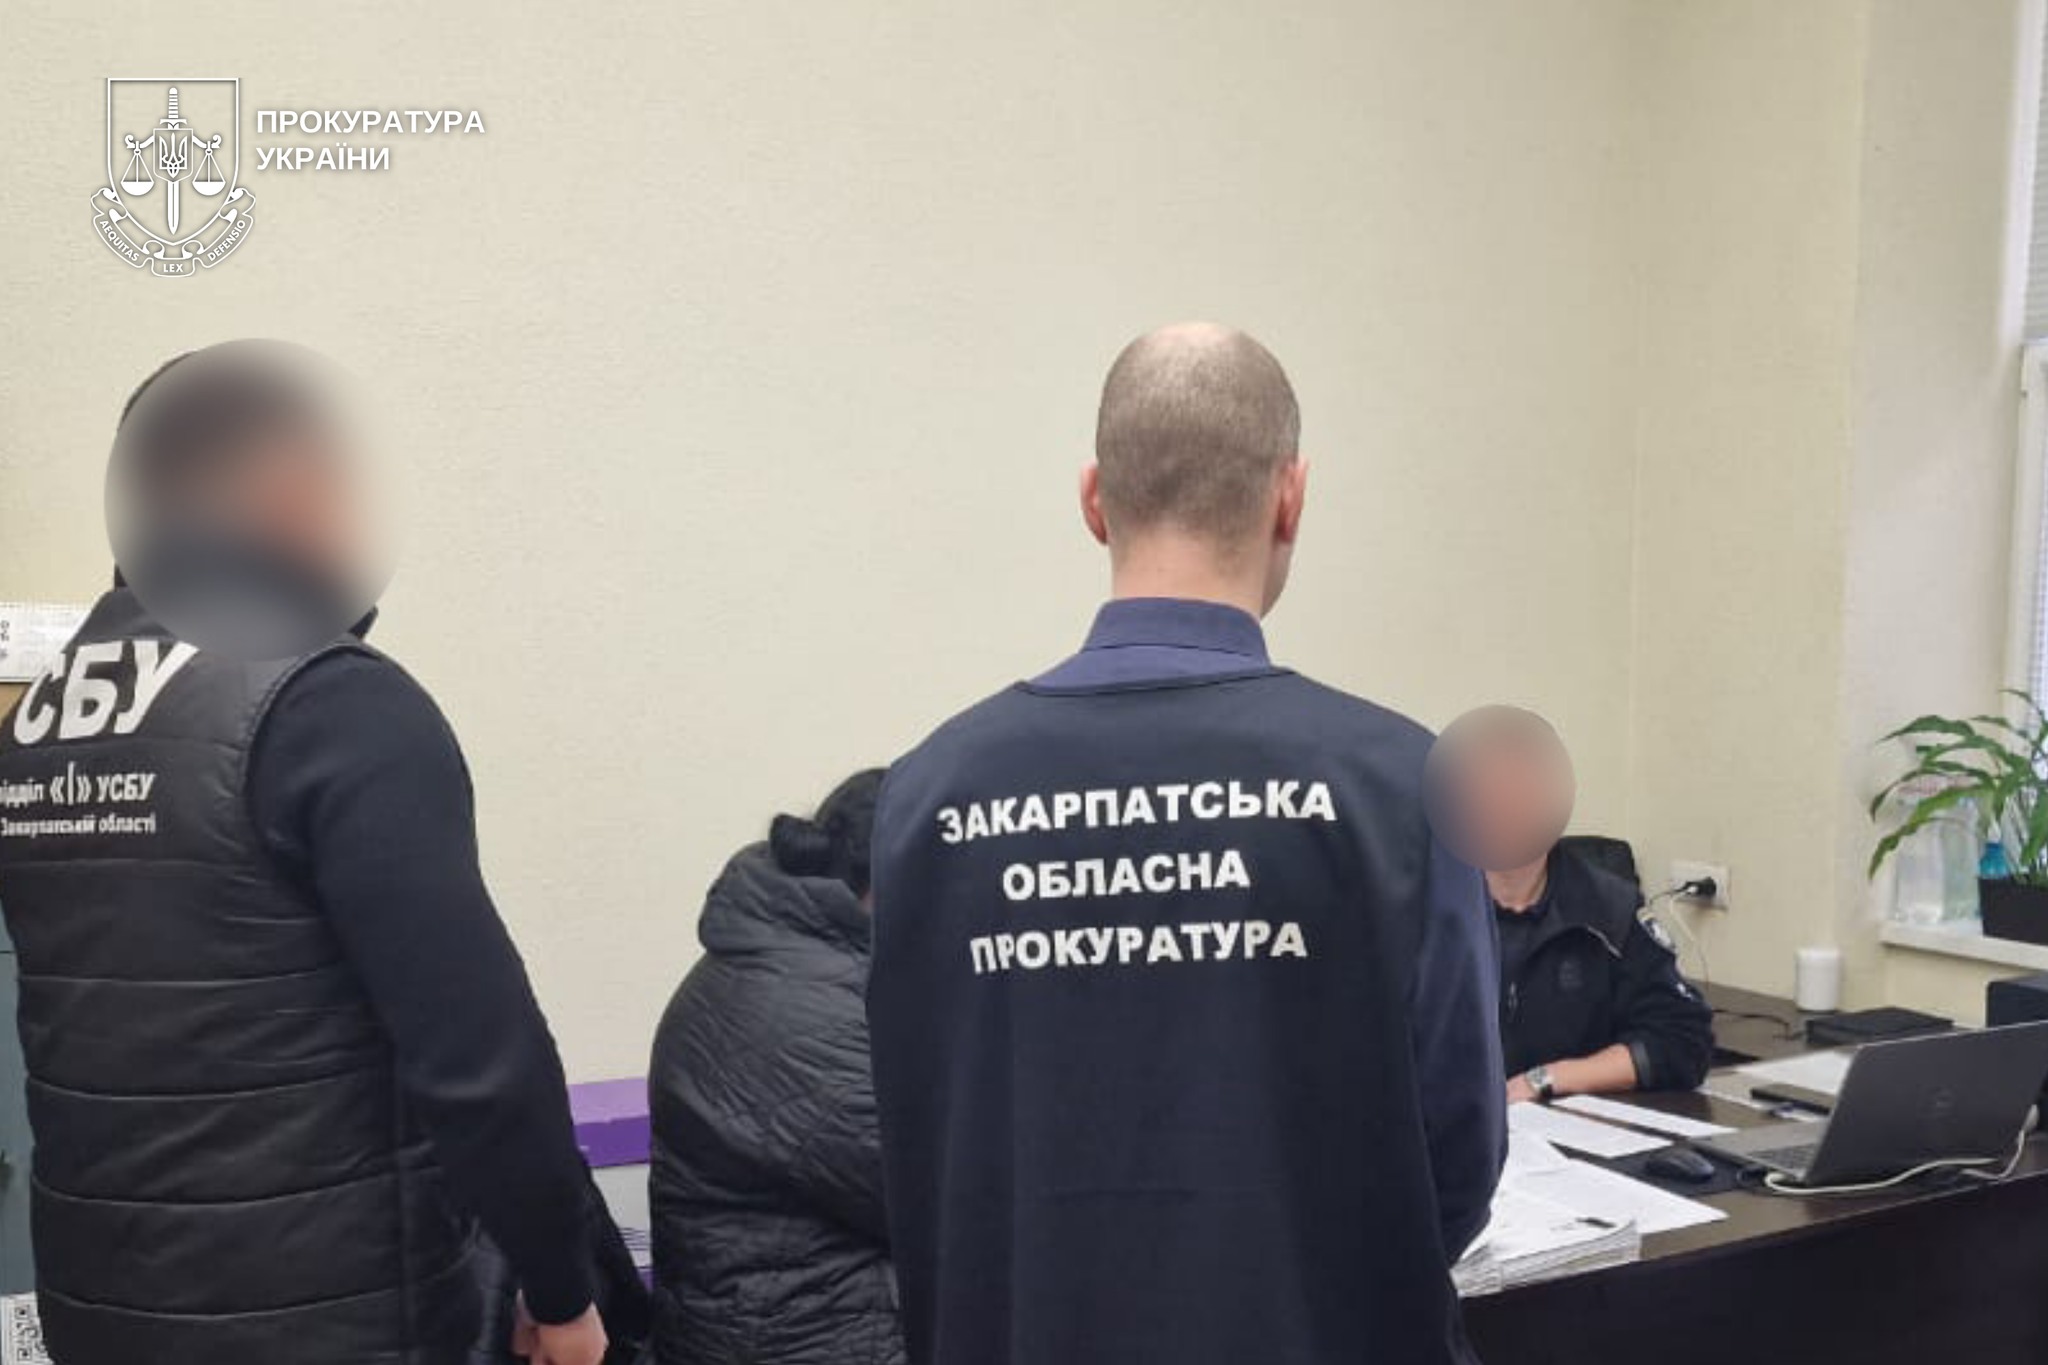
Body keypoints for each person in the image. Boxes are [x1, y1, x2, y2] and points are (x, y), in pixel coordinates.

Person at [865, 323, 1505, 1365]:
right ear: (1291, 497)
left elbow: (918, 1140)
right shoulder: (1404, 786)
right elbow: (1459, 1158)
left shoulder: (927, 795)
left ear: (1092, 501)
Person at [0, 344, 613, 1365]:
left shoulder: (41, 718)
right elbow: (477, 1059)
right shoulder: (327, 701)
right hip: (326, 1316)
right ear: (285, 492)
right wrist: (562, 1289)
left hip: (102, 1310)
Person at [648, 770, 905, 1365]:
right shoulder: (801, 1014)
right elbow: (938, 1196)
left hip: (786, 1327)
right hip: (809, 1338)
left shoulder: (787, 965)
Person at [1492, 838, 1715, 1102]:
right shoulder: (1447, 905)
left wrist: (1543, 1080)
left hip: (1561, 1117)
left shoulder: (1610, 906)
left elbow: (1684, 1041)